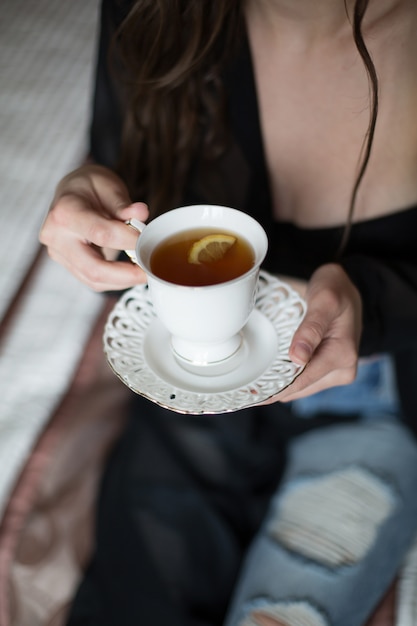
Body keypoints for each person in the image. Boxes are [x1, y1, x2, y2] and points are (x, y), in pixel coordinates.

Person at [39, 0, 417, 625]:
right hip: (200, 384)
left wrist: (369, 300)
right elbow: (133, 230)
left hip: (375, 401)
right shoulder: (156, 12)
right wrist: (88, 209)